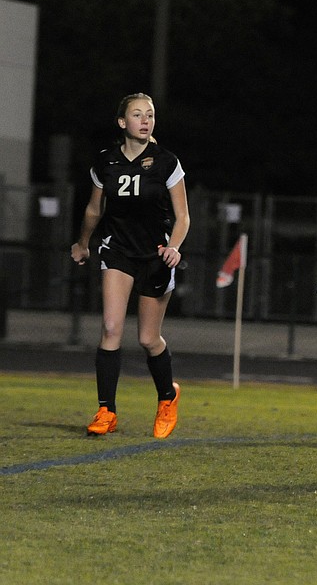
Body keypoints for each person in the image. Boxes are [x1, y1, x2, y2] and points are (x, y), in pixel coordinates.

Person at [71, 93, 190, 438]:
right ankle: (106, 410)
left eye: (149, 115)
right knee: (110, 328)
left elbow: (182, 216)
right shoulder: (106, 162)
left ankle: (168, 396)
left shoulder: (166, 162)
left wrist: (173, 247)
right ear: (122, 123)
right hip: (117, 251)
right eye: (137, 115)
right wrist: (83, 243)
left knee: (148, 339)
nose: (145, 120)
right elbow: (95, 210)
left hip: (154, 255)